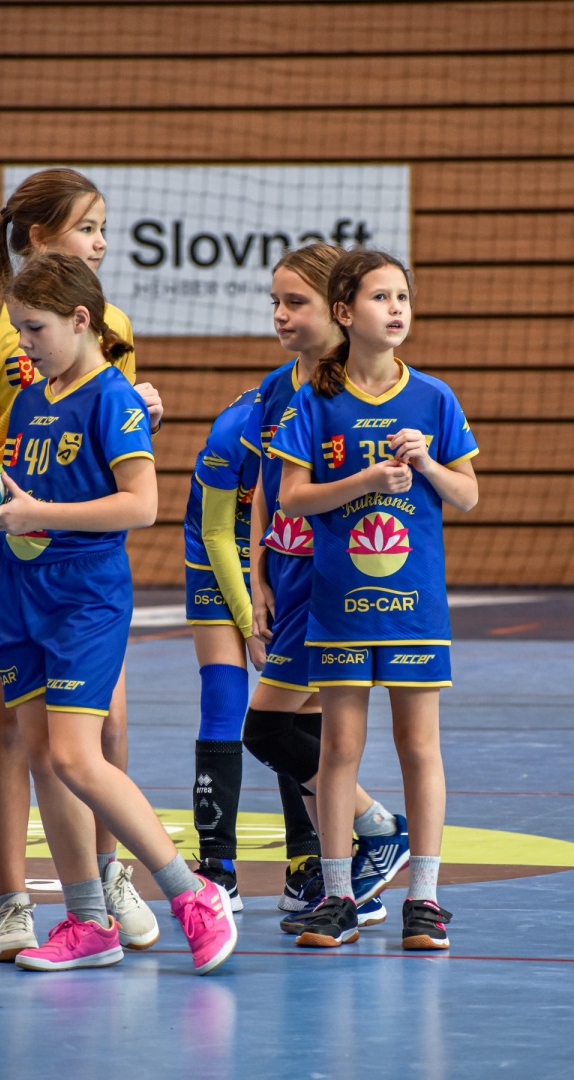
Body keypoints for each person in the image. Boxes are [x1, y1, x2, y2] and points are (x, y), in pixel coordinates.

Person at [0, 252, 237, 974]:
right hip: (23, 593)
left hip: (85, 596)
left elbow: (141, 506)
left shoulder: (113, 398)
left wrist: (38, 512)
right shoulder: (30, 401)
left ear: (80, 319)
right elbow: (28, 495)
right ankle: (89, 922)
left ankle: (192, 894)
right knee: (44, 758)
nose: (24, 343)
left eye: (35, 328)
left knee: (76, 757)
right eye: (19, 329)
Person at [0, 168, 161, 960]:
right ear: (38, 237)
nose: (101, 242)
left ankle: (106, 877)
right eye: (87, 227)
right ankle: (13, 900)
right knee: (14, 726)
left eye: (103, 228)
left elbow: (110, 436)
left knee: (105, 723)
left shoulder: (110, 321)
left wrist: (146, 413)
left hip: (81, 547)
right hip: (9, 539)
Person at [269, 248, 479, 949]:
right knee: (339, 750)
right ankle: (339, 897)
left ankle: (425, 900)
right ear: (345, 312)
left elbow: (468, 494)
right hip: (339, 602)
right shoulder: (315, 400)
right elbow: (290, 499)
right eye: (380, 297)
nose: (396, 309)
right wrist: (365, 480)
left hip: (414, 604)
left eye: (402, 298)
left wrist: (427, 464)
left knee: (419, 747)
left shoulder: (434, 398)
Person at [239, 243, 410, 930]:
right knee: (304, 730)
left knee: (269, 728)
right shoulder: (279, 389)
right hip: (286, 573)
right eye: (275, 303)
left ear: (337, 311)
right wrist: (256, 575)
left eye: (296, 302)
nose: (281, 315)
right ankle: (341, 880)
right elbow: (266, 489)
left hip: (331, 577)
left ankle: (377, 831)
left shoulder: (356, 391)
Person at [183, 387, 321, 909]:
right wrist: (249, 623)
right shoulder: (233, 430)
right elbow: (218, 533)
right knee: (223, 699)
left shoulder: (330, 420)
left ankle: (306, 863)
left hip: (286, 557)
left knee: (300, 707)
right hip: (217, 557)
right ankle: (217, 866)